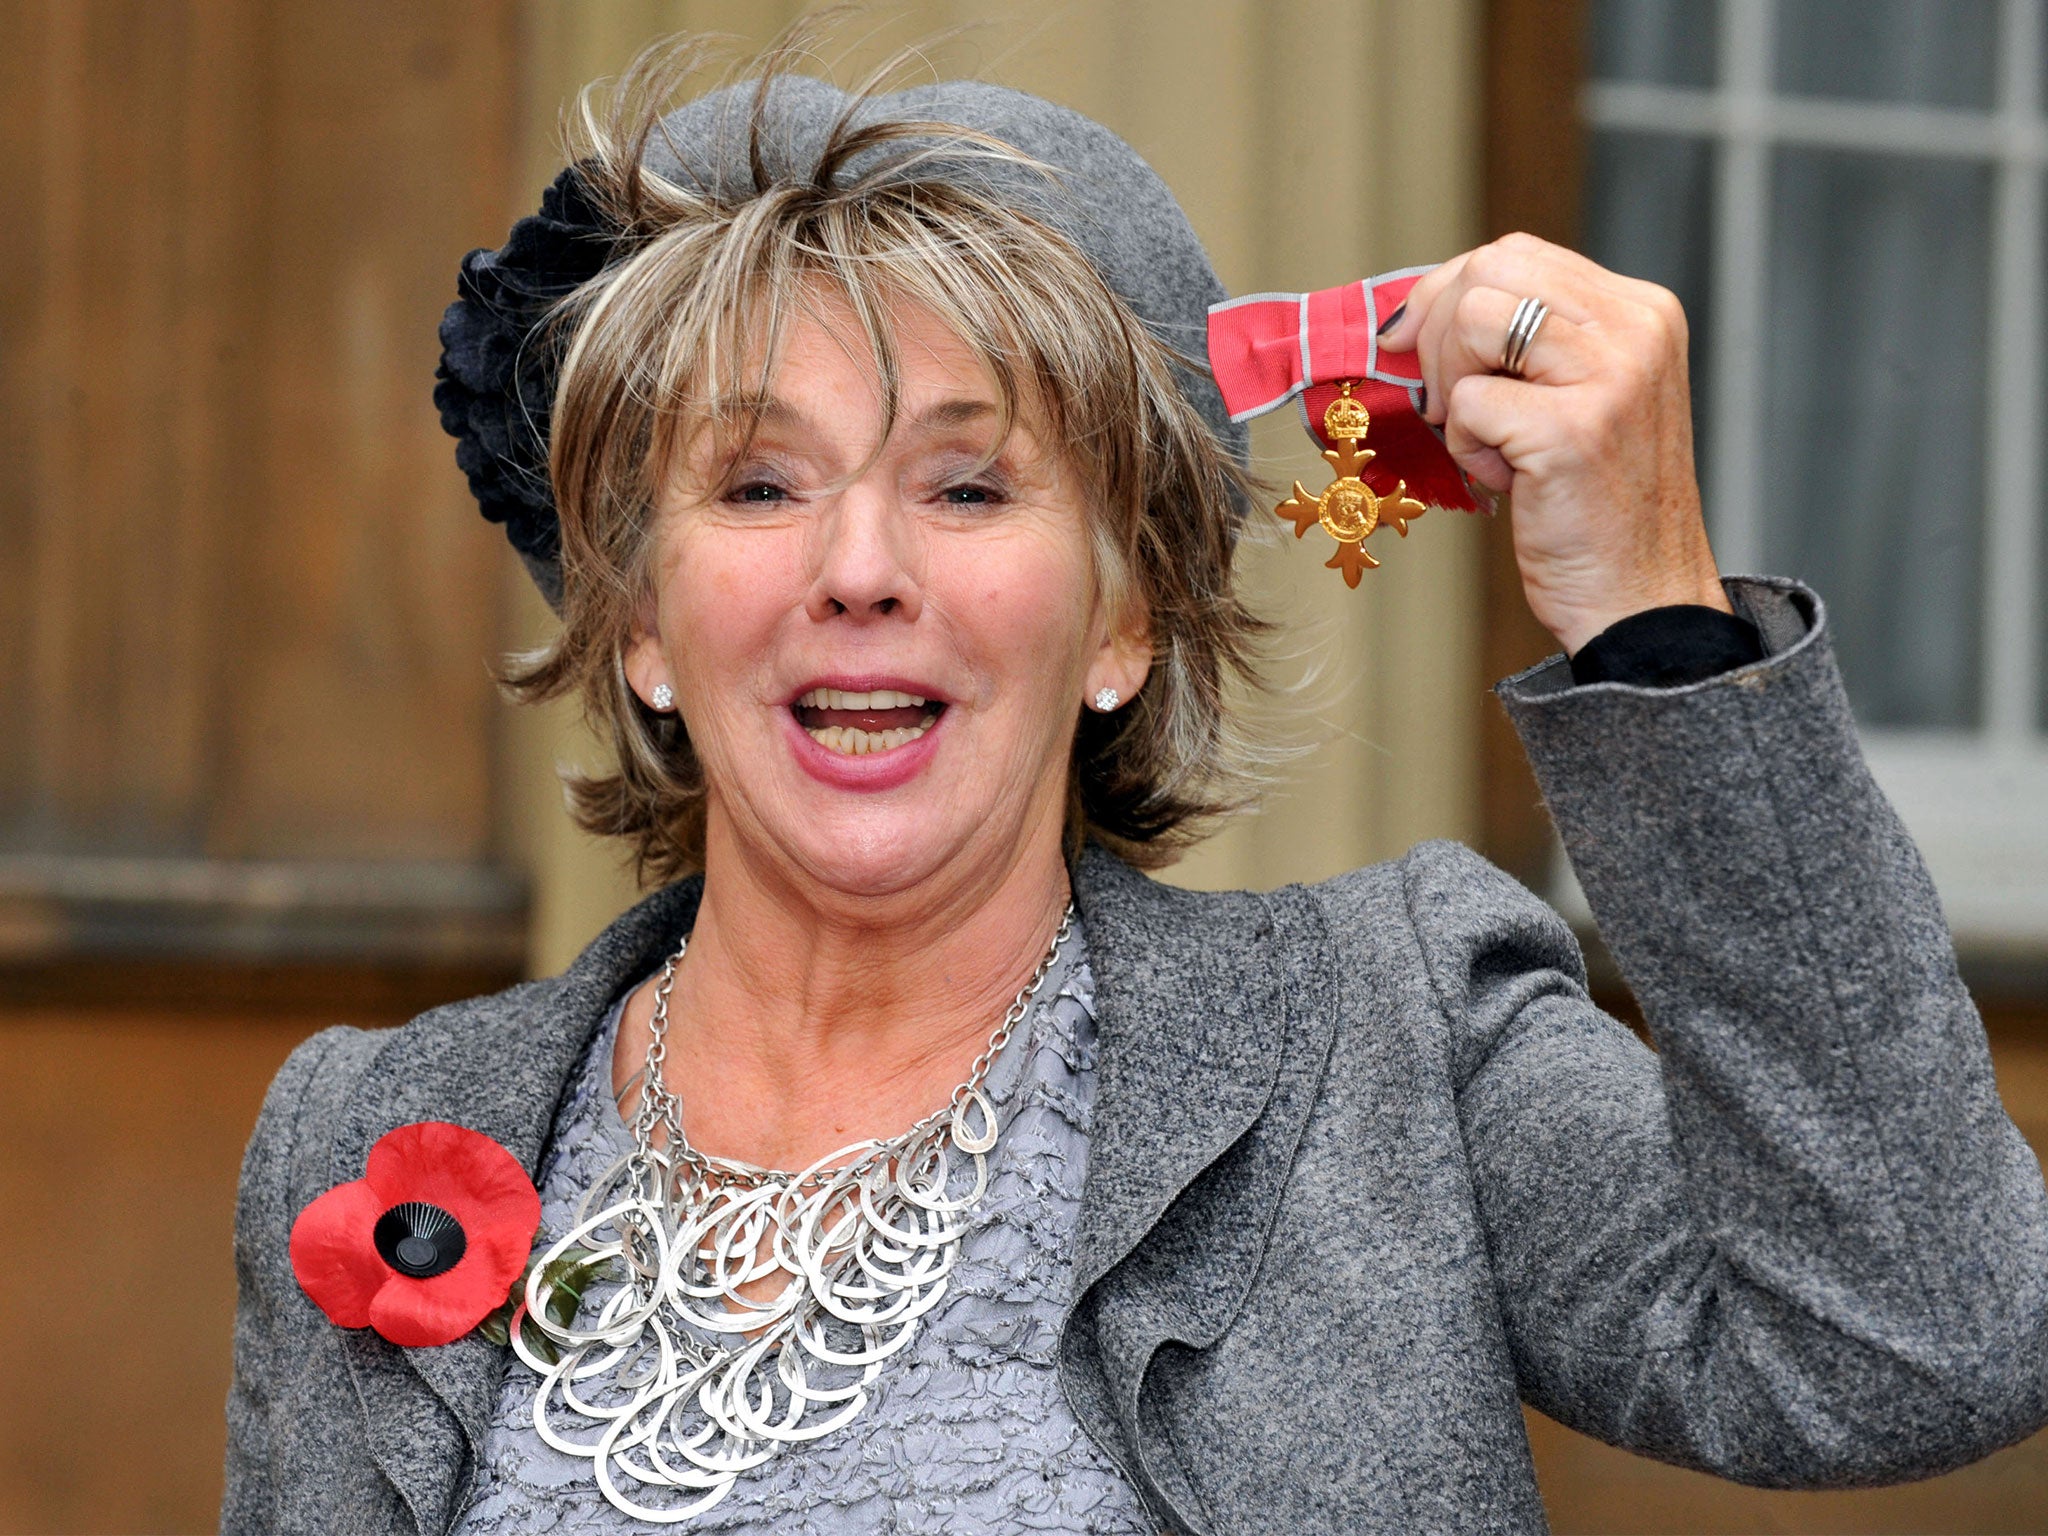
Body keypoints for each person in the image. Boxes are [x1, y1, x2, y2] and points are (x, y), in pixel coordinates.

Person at [221, 37, 2048, 1536]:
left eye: (969, 485)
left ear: (1126, 621)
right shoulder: (364, 1138)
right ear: (634, 619)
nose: (860, 566)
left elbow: (1918, 1340)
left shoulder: (1394, 1047)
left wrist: (1653, 623)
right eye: (760, 484)